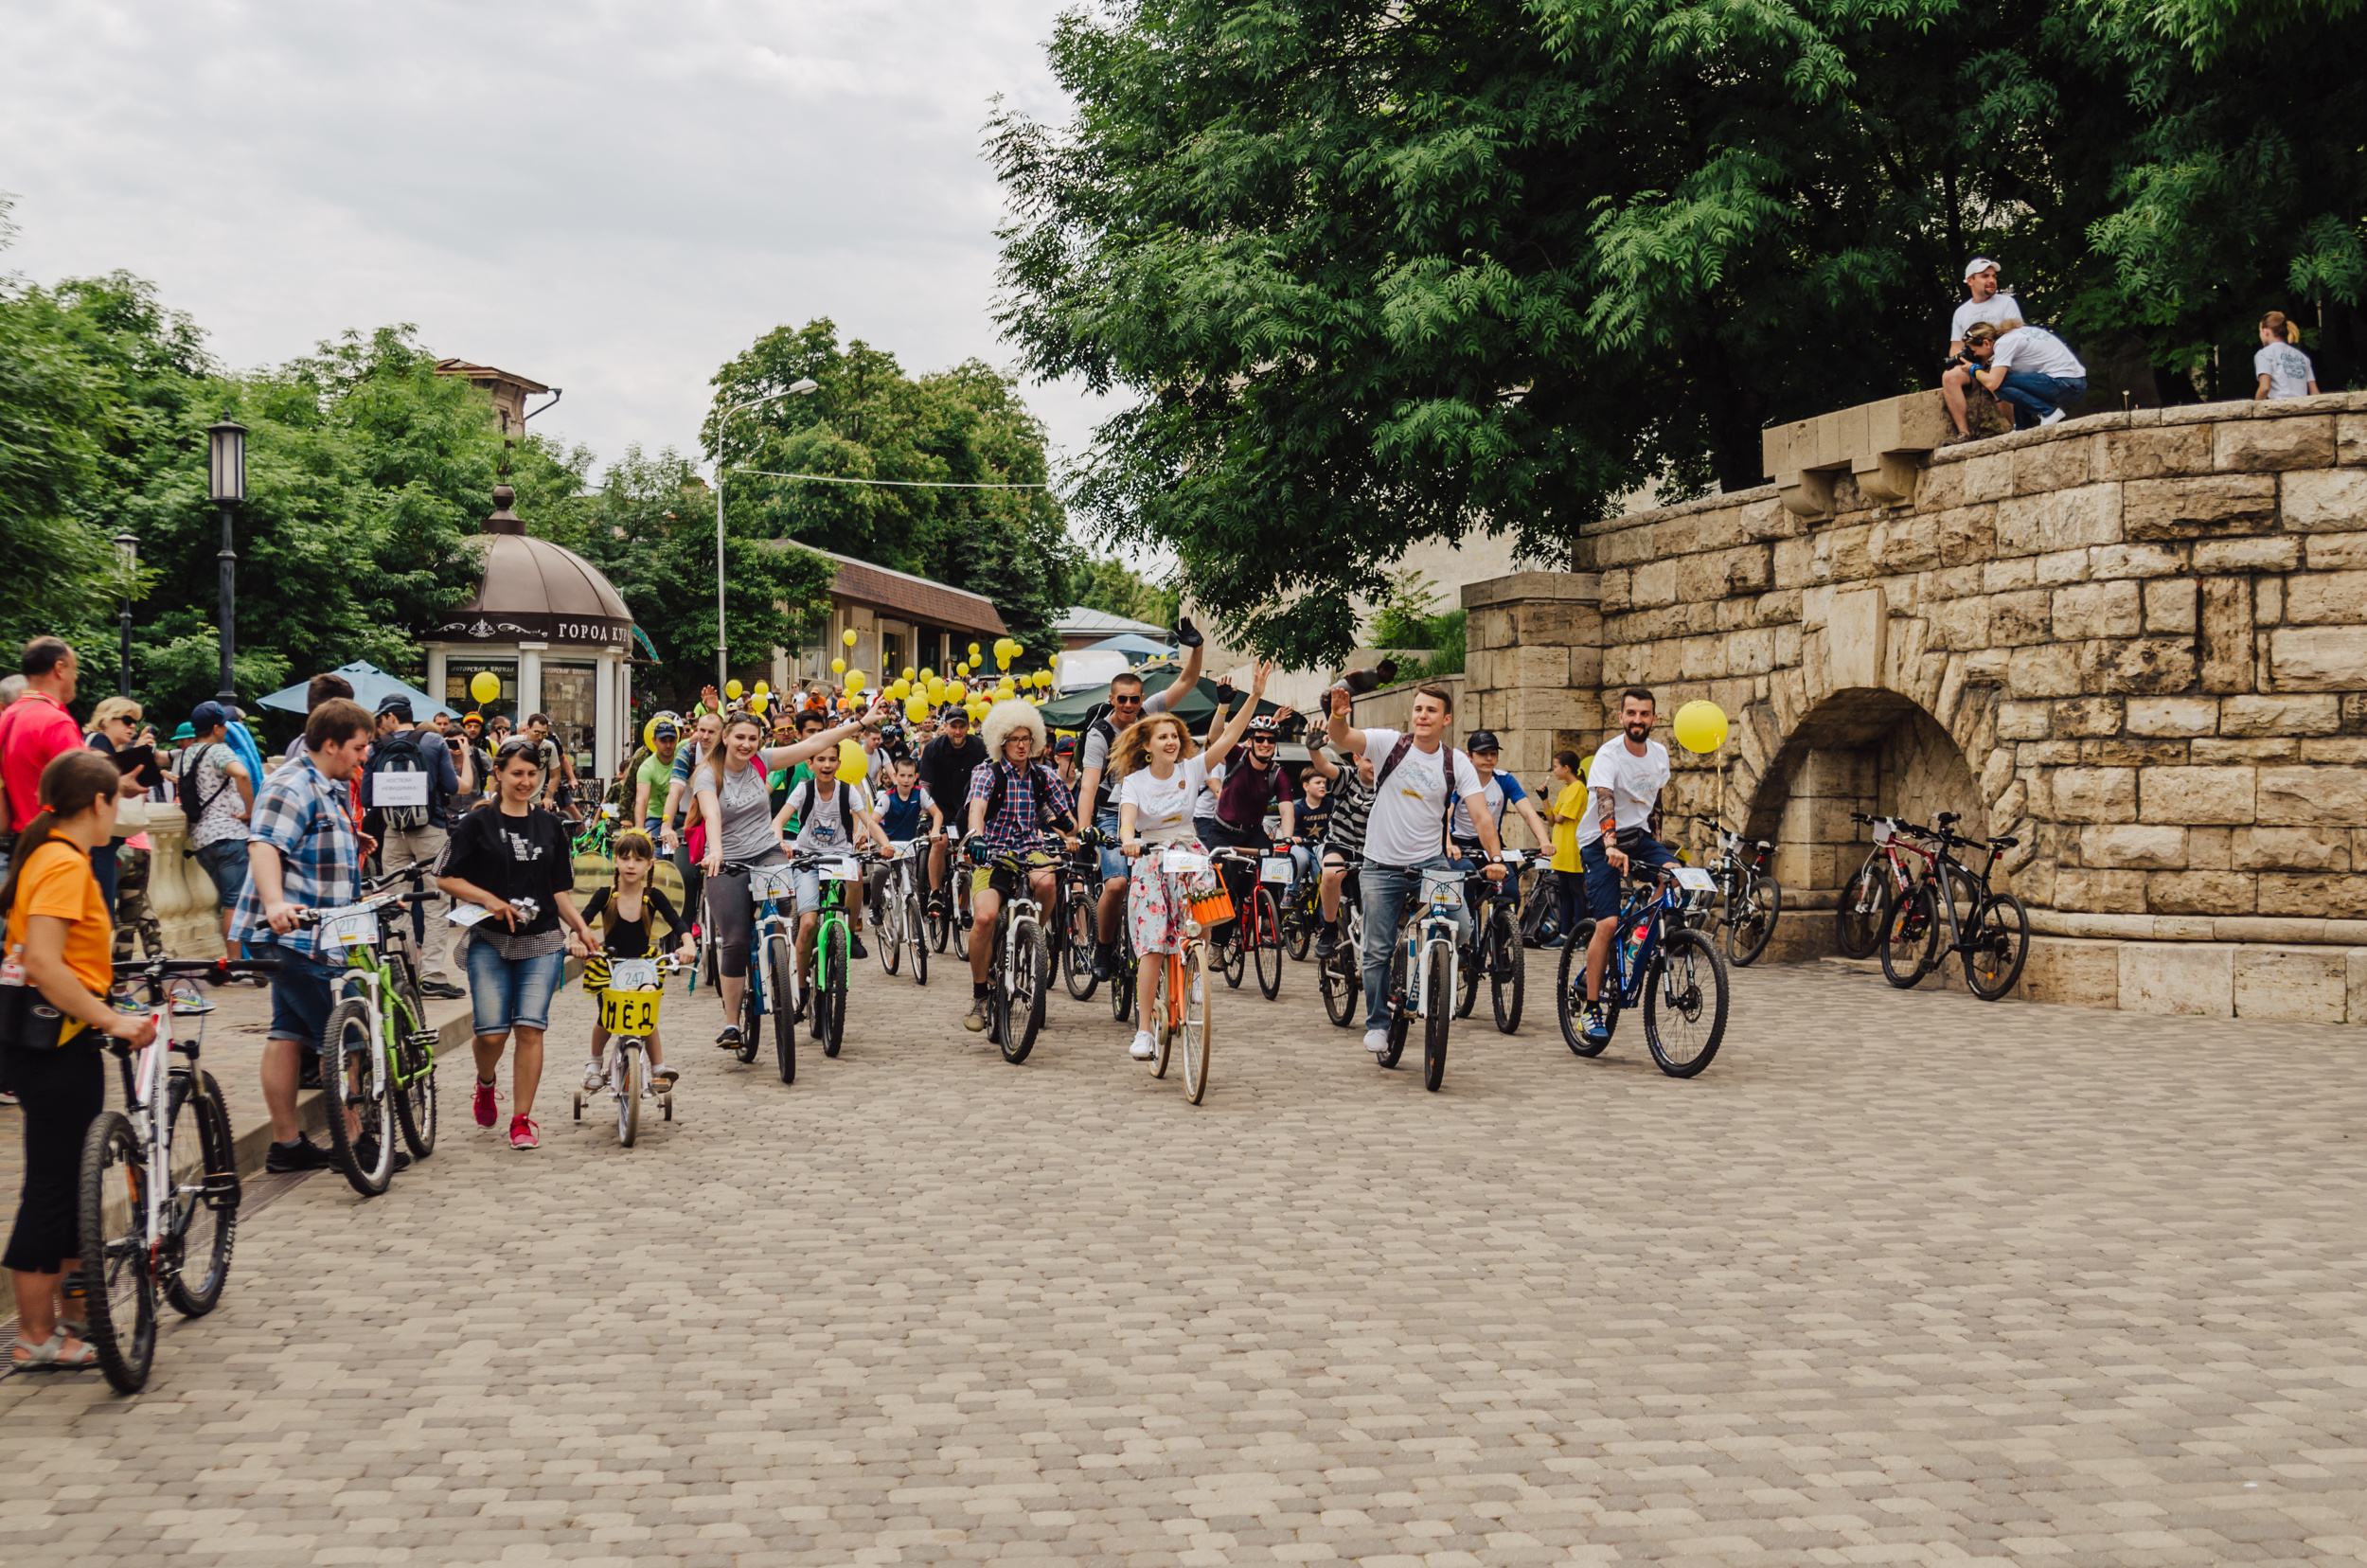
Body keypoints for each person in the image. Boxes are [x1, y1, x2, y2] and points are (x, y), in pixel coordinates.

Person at [2, 750, 157, 1368]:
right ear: (97, 803)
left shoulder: (43, 854)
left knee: (65, 1183)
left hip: (49, 1039)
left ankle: (70, 1323)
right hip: (57, 1042)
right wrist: (112, 1019)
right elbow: (43, 961)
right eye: (114, 802)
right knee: (50, 1187)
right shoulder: (65, 864)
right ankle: (36, 1337)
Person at [230, 697, 380, 1175]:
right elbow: (264, 845)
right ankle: (355, 1143)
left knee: (288, 1033)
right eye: (358, 748)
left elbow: (301, 839)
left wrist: (348, 840)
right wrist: (274, 903)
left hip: (313, 936)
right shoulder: (291, 785)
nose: (364, 757)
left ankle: (287, 1145)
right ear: (331, 744)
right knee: (349, 1033)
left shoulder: (325, 784)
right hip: (298, 938)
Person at [1322, 681, 1506, 1056]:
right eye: (1419, 709)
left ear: (1446, 719)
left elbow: (1481, 815)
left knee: (1465, 928)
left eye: (1431, 711)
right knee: (1376, 949)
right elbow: (1343, 737)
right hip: (1381, 863)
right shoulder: (1390, 744)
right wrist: (1338, 715)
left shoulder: (1457, 763)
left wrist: (1496, 858)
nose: (1423, 716)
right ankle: (1377, 1023)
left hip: (1430, 862)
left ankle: (1428, 973)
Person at [436, 739, 599, 1150]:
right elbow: (445, 878)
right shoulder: (477, 823)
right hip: (490, 940)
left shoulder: (550, 825)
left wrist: (580, 927)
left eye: (532, 774)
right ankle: (486, 1083)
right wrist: (488, 900)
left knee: (529, 1027)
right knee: (492, 1034)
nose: (525, 781)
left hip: (542, 938)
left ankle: (522, 1119)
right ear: (499, 775)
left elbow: (559, 889)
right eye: (517, 774)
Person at [696, 702, 883, 1047]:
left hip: (767, 854)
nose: (746, 745)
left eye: (752, 738)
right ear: (725, 737)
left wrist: (858, 724)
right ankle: (732, 1023)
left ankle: (786, 976)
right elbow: (711, 814)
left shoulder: (763, 762)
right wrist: (716, 850)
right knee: (735, 939)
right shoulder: (709, 773)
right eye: (739, 737)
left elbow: (813, 744)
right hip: (727, 861)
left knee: (782, 922)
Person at [1113, 688, 1263, 1060]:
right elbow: (1127, 823)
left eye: (1175, 736)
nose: (1171, 741)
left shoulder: (1191, 768)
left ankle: (1195, 970)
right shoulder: (1134, 781)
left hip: (1187, 849)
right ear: (1147, 745)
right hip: (1150, 854)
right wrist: (1130, 840)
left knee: (1204, 908)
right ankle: (1145, 1030)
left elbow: (1230, 737)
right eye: (1162, 736)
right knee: (1152, 945)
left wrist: (1256, 695)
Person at [1075, 639, 1206, 983]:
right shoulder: (1100, 733)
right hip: (1111, 813)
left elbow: (1188, 681)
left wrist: (1197, 647)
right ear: (1111, 700)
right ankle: (1103, 945)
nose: (1130, 705)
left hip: (1151, 817)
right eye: (1123, 699)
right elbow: (1088, 785)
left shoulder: (1151, 714)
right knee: (1117, 884)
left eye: (1136, 698)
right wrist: (1084, 829)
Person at [958, 698, 1079, 1033]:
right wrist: (977, 838)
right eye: (1014, 739)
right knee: (983, 917)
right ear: (1002, 742)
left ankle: (1034, 937)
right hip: (993, 851)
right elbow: (977, 808)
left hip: (1030, 848)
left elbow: (1067, 819)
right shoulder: (987, 771)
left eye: (1027, 738)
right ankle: (980, 996)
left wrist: (1076, 830)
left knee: (1049, 881)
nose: (1022, 745)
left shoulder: (1044, 777)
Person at [1574, 689, 1682, 1044]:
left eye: (1645, 714)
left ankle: (1638, 940)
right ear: (1621, 716)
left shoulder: (1660, 754)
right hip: (1598, 840)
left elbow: (1655, 801)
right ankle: (1590, 1010)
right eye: (1631, 713)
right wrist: (1609, 844)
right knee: (1606, 922)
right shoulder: (1609, 754)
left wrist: (1659, 848)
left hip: (1637, 836)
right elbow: (1605, 799)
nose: (1638, 720)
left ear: (1654, 717)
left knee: (1678, 877)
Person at [570, 829, 692, 1096]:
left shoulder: (653, 896)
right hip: (610, 964)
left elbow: (677, 921)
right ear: (615, 860)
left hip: (643, 966)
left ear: (650, 864)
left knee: (646, 1013)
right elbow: (584, 919)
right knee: (607, 1016)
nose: (630, 865)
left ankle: (658, 1067)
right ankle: (594, 1063)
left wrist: (689, 943)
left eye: (638, 859)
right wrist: (575, 940)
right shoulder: (606, 895)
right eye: (625, 858)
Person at [365, 695, 467, 1000]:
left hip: (393, 832)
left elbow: (367, 798)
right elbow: (451, 785)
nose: (380, 725)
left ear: (392, 717)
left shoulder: (377, 748)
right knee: (436, 904)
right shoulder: (434, 742)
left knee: (397, 903)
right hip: (431, 830)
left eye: (382, 719)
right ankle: (433, 976)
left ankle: (404, 972)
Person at [777, 727, 894, 986]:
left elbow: (868, 822)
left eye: (832, 760)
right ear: (810, 763)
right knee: (807, 925)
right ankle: (801, 987)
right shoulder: (803, 790)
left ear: (839, 764)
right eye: (820, 759)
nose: (827, 764)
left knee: (856, 875)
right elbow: (779, 821)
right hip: (807, 857)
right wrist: (781, 844)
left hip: (840, 855)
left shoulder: (847, 791)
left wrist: (884, 843)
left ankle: (849, 934)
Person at [0, 639, 89, 883]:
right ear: (59, 668)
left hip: (18, 845)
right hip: (54, 848)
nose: (76, 677)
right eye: (74, 669)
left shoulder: (7, 716)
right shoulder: (54, 720)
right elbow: (81, 788)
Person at [176, 702, 256, 950]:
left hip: (201, 839)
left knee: (228, 902)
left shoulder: (187, 753)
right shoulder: (218, 751)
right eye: (223, 725)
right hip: (229, 835)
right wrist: (250, 811)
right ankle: (236, 964)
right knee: (236, 903)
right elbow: (241, 774)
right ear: (216, 728)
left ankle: (243, 963)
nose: (225, 729)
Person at [83, 695, 159, 918]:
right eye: (127, 720)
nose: (133, 725)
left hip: (102, 842)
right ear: (106, 719)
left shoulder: (102, 745)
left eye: (135, 721)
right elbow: (101, 780)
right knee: (102, 915)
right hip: (98, 843)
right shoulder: (97, 741)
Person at [1941, 258, 2028, 444]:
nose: (1992, 280)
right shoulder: (1962, 312)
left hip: (2000, 361)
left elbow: (2016, 337)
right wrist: (1960, 362)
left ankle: (2017, 429)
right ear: (1970, 281)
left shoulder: (2006, 303)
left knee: (2000, 378)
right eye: (1985, 276)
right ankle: (1964, 434)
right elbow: (1955, 346)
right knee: (1949, 377)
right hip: (1974, 364)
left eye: (1993, 276)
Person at [917, 707, 987, 919]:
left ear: (968, 727)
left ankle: (964, 905)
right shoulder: (933, 748)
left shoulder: (979, 747)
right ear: (945, 727)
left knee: (968, 852)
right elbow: (925, 785)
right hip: (940, 806)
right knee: (939, 842)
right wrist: (925, 814)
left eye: (962, 726)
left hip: (968, 806)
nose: (957, 731)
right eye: (953, 727)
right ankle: (936, 892)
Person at [659, 710, 723, 931]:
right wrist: (666, 825)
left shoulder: (728, 754)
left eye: (711, 732)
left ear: (722, 734)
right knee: (685, 875)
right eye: (701, 730)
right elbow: (675, 791)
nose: (704, 736)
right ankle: (684, 933)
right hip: (690, 822)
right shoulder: (687, 752)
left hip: (724, 823)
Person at [1966, 318, 2088, 430]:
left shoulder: (2004, 343)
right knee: (2011, 382)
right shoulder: (2013, 335)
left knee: (2000, 384)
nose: (1975, 355)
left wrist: (1973, 369)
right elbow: (2019, 387)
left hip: (2063, 383)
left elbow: (1993, 383)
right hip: (2073, 383)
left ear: (1987, 343)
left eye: (1974, 351)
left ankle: (2049, 412)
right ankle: (2022, 427)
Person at [1544, 750, 1588, 947]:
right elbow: (1552, 820)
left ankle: (1579, 934)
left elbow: (1561, 817)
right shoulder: (1564, 790)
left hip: (1572, 848)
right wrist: (1544, 798)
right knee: (1564, 891)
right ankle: (1564, 935)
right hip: (1560, 849)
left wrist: (1555, 811)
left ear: (1566, 768)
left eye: (1555, 766)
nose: (1553, 771)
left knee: (1576, 892)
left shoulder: (1578, 788)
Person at [2254, 312, 2321, 401]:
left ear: (2266, 331)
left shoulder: (2264, 354)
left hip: (2280, 409)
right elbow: (2315, 393)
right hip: (2302, 409)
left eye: (2260, 331)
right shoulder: (2303, 357)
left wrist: (2254, 409)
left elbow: (2264, 388)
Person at [633, 719, 680, 832]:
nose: (668, 745)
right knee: (654, 849)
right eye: (663, 740)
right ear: (654, 740)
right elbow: (641, 800)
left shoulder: (682, 755)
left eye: (672, 740)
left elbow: (701, 737)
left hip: (681, 816)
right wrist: (640, 830)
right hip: (655, 818)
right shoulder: (647, 767)